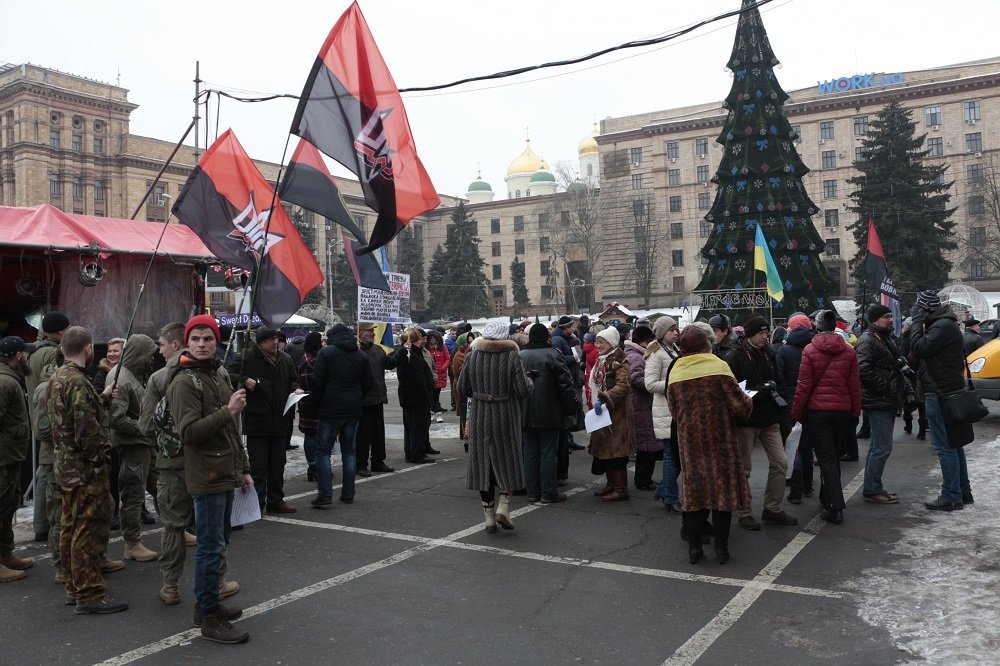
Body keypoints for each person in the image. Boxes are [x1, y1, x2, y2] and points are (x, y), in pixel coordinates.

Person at [167, 315, 251, 643]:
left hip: (226, 471)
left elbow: (231, 430)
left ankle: (208, 606)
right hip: (206, 474)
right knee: (209, 546)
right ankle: (209, 613)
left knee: (221, 542)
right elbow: (189, 433)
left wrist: (243, 467)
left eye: (208, 339)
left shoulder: (217, 373)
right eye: (196, 339)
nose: (202, 344)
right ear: (186, 343)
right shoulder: (184, 382)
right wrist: (227, 411)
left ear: (217, 342)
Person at [48, 326, 128, 614]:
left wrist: (102, 398)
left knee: (70, 526)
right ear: (88, 349)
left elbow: (71, 417)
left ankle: (74, 585)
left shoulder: (59, 377)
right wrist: (100, 462)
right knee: (86, 528)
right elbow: (86, 432)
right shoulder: (78, 383)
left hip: (66, 467)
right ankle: (89, 593)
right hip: (84, 470)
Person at [667, 325, 752, 564]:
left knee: (694, 496)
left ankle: (694, 549)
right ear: (706, 343)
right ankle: (721, 549)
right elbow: (740, 406)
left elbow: (673, 410)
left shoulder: (676, 371)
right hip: (720, 440)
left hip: (690, 442)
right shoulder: (719, 366)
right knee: (721, 496)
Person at [723, 315, 796, 529]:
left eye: (766, 332)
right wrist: (755, 392)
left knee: (781, 463)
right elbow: (729, 390)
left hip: (770, 418)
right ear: (749, 334)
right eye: (761, 333)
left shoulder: (770, 354)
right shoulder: (735, 357)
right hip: (746, 420)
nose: (765, 336)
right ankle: (744, 512)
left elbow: (780, 384)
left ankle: (772, 508)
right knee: (744, 469)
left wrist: (783, 414)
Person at [460, 318, 532, 532]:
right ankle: (504, 506)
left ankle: (488, 516)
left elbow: (463, 387)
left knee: (483, 463)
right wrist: (530, 381)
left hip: (481, 415)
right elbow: (522, 390)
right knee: (508, 459)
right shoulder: (512, 356)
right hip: (506, 413)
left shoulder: (471, 356)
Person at [791, 310, 861, 525]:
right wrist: (855, 412)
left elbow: (804, 386)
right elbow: (854, 386)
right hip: (842, 411)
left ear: (817, 327)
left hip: (818, 412)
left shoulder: (810, 350)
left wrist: (796, 412)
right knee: (834, 458)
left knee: (826, 458)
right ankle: (827, 497)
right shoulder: (848, 351)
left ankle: (835, 506)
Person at [910, 290, 974, 512]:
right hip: (948, 390)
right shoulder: (946, 324)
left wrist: (917, 322)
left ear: (925, 309)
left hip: (940, 393)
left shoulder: (941, 326)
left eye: (919, 308)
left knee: (944, 446)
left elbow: (918, 348)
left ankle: (951, 496)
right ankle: (962, 491)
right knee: (954, 444)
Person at [227, 327, 298, 514]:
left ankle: (276, 500)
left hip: (280, 419)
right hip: (258, 420)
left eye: (276, 338)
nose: (275, 342)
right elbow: (227, 373)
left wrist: (296, 389)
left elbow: (293, 379)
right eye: (270, 339)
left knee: (278, 464)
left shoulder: (285, 359)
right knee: (258, 467)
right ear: (260, 343)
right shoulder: (247, 357)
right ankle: (257, 504)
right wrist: (245, 379)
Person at [109, 333, 160, 563]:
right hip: (132, 445)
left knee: (162, 487)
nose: (152, 359)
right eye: (149, 355)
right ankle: (132, 542)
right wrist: (144, 428)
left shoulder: (135, 375)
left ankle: (175, 529)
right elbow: (115, 418)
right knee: (133, 494)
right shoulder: (121, 378)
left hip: (145, 444)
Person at [308, 324, 372, 507]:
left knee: (322, 452)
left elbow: (317, 381)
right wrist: (357, 397)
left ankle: (325, 494)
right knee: (349, 452)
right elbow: (368, 382)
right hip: (352, 409)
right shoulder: (361, 355)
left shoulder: (326, 353)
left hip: (330, 409)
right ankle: (348, 493)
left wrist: (318, 402)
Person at [27, 311, 70, 543]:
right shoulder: (52, 353)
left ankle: (41, 524)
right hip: (50, 419)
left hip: (37, 415)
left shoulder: (33, 350)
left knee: (43, 472)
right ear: (61, 331)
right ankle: (43, 525)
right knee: (47, 472)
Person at [855, 304, 905, 505]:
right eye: (886, 317)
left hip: (887, 399)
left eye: (891, 316)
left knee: (879, 446)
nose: (890, 320)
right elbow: (862, 370)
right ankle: (872, 489)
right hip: (879, 400)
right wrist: (886, 388)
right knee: (882, 447)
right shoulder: (868, 340)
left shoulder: (885, 338)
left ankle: (873, 487)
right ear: (875, 320)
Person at [519, 323, 574, 504]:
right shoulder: (553, 354)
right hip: (550, 410)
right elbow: (566, 385)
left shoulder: (520, 356)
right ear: (546, 337)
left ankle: (533, 491)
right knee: (548, 452)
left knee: (530, 452)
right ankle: (548, 492)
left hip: (525, 411)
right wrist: (569, 409)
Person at [0, 336, 35, 581]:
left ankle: (5, 554)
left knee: (9, 505)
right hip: (2, 458)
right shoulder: (4, 382)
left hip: (10, 455)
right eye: (26, 352)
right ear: (19, 355)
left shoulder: (11, 378)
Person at [587, 326, 634, 502]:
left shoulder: (619, 360)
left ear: (612, 343)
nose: (598, 345)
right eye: (597, 341)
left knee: (616, 451)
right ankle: (611, 484)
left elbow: (624, 385)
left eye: (602, 342)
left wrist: (605, 397)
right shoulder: (602, 359)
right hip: (604, 413)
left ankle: (621, 489)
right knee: (605, 450)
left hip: (617, 413)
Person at [776, 313, 815, 504]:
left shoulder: (784, 351)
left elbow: (779, 378)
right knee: (807, 446)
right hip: (812, 402)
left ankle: (796, 488)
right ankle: (808, 484)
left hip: (791, 402)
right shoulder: (814, 347)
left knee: (793, 445)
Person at [646, 316, 681, 511]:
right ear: (662, 334)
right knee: (671, 456)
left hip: (674, 409)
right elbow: (649, 384)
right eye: (671, 330)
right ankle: (670, 497)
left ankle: (663, 489)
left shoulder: (674, 349)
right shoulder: (656, 354)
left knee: (676, 457)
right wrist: (673, 384)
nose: (676, 332)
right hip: (664, 411)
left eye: (676, 329)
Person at [357, 324, 398, 476]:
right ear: (361, 334)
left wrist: (400, 353)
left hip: (378, 397)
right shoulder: (357, 351)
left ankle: (378, 461)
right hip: (364, 400)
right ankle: (361, 464)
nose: (374, 334)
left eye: (374, 331)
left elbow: (389, 363)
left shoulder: (378, 350)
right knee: (363, 435)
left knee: (378, 433)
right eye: (370, 331)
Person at [391, 328, 437, 464]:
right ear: (414, 340)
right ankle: (417, 453)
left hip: (409, 397)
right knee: (417, 426)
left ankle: (412, 452)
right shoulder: (412, 355)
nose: (423, 340)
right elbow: (418, 379)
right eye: (420, 338)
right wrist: (426, 396)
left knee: (411, 426)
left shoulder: (410, 353)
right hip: (416, 398)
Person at [625, 325, 661, 491]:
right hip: (641, 404)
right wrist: (653, 384)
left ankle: (643, 479)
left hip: (640, 404)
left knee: (646, 447)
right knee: (647, 447)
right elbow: (635, 378)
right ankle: (643, 481)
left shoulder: (635, 354)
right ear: (643, 341)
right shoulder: (637, 357)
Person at [296, 332, 323, 482]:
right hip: (312, 401)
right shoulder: (312, 360)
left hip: (307, 401)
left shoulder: (307, 356)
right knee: (313, 435)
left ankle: (314, 466)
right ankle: (314, 466)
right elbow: (310, 383)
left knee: (311, 434)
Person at [899, 318, 928, 440]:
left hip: (908, 374)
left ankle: (908, 425)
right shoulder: (923, 338)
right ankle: (922, 431)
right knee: (922, 404)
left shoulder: (904, 339)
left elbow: (902, 356)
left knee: (908, 402)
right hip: (921, 374)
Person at [426, 330, 451, 422]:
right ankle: (435, 411)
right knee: (431, 395)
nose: (432, 340)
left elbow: (447, 359)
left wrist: (442, 368)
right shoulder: (427, 349)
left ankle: (436, 412)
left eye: (434, 338)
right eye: (431, 338)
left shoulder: (442, 347)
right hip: (430, 374)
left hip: (440, 374)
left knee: (436, 394)